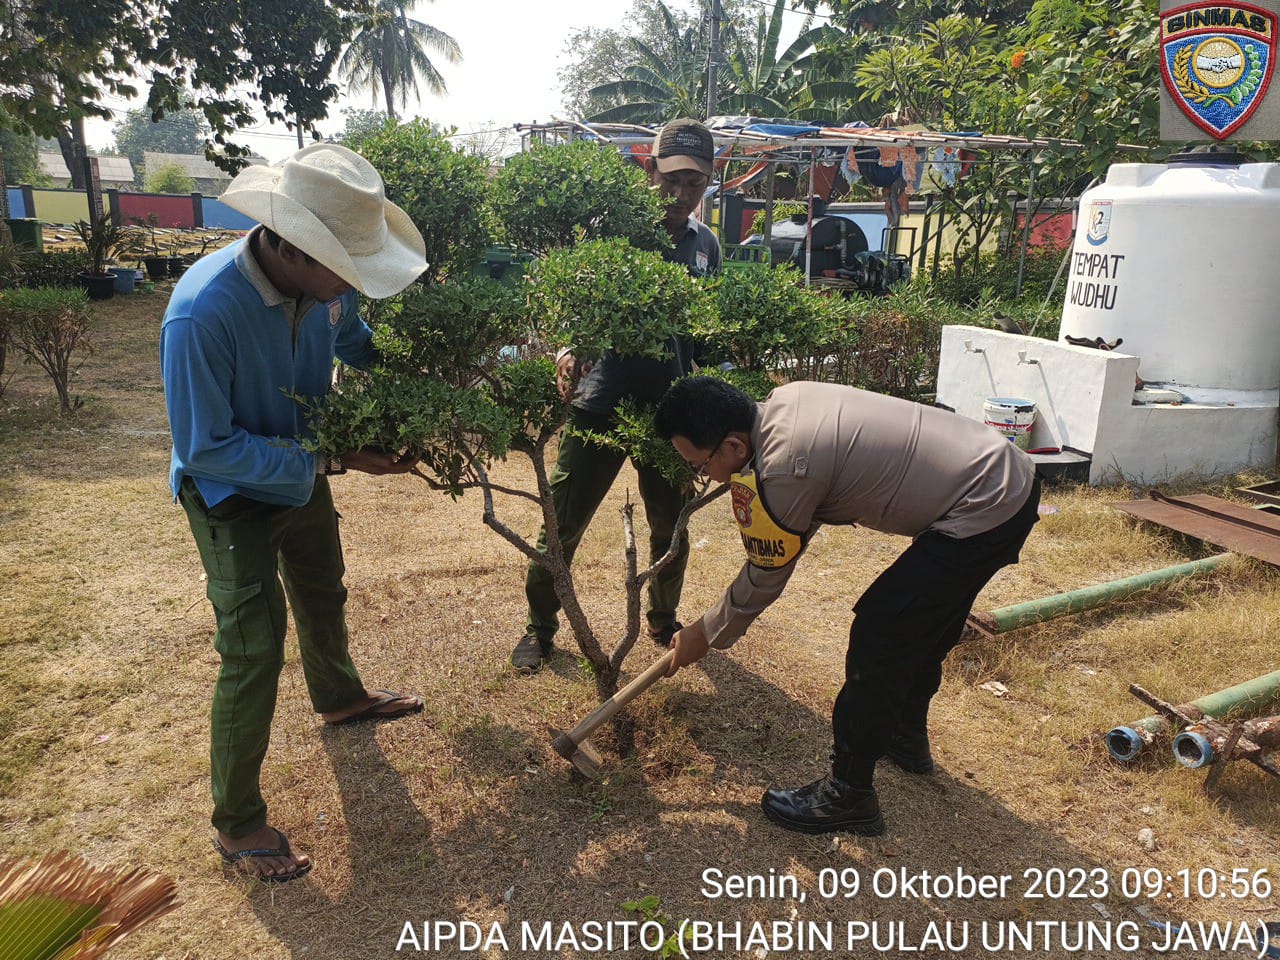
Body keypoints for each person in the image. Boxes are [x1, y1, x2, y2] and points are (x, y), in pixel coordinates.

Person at [160, 143, 429, 883]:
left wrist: (421, 381)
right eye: (343, 264)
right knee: (251, 650)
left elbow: (355, 345)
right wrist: (332, 460)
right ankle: (238, 823)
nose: (352, 285)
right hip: (229, 496)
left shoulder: (328, 291)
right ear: (290, 246)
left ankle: (340, 697)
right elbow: (207, 448)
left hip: (303, 471)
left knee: (322, 588)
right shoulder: (202, 312)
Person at [653, 377, 1041, 835]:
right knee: (926, 618)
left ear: (734, 446)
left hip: (987, 503)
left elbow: (766, 573)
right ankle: (905, 735)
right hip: (1004, 474)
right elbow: (794, 524)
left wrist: (704, 633)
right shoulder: (786, 402)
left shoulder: (784, 465)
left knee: (884, 628)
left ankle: (849, 792)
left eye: (700, 466)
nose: (704, 477)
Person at [511, 118, 722, 672]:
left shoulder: (707, 247)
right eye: (670, 178)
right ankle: (539, 626)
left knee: (670, 525)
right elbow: (573, 304)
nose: (679, 194)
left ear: (708, 183)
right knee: (561, 520)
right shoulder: (613, 231)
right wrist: (565, 349)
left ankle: (661, 620)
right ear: (648, 170)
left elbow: (706, 336)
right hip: (599, 402)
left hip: (672, 414)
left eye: (693, 183)